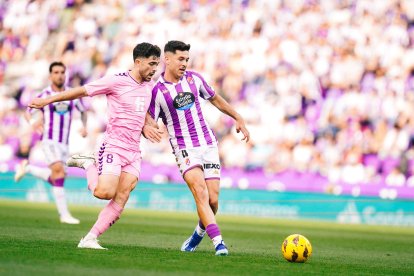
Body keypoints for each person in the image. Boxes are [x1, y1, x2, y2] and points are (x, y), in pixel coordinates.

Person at [29, 42, 162, 249]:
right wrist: (48, 101)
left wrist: (147, 126)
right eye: (152, 63)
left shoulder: (148, 87)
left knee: (123, 194)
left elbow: (141, 112)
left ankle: (90, 238)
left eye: (157, 64)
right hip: (113, 146)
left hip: (134, 151)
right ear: (138, 62)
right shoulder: (116, 81)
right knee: (103, 193)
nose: (155, 69)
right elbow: (81, 91)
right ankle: (88, 164)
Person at [143, 40, 250, 256]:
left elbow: (216, 100)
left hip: (208, 144)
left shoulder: (195, 79)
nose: (184, 63)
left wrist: (238, 117)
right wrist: (146, 128)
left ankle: (198, 233)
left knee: (213, 201)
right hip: (185, 149)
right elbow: (149, 119)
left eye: (187, 59)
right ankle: (219, 243)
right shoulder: (157, 91)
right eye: (180, 59)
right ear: (168, 59)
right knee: (200, 193)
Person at [15, 61, 88, 224]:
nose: (60, 75)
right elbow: (27, 112)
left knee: (57, 177)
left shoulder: (72, 94)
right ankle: (64, 215)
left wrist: (84, 127)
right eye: (56, 72)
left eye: (62, 72)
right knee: (59, 173)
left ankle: (28, 168)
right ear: (50, 76)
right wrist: (33, 122)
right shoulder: (44, 95)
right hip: (49, 140)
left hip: (64, 143)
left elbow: (83, 112)